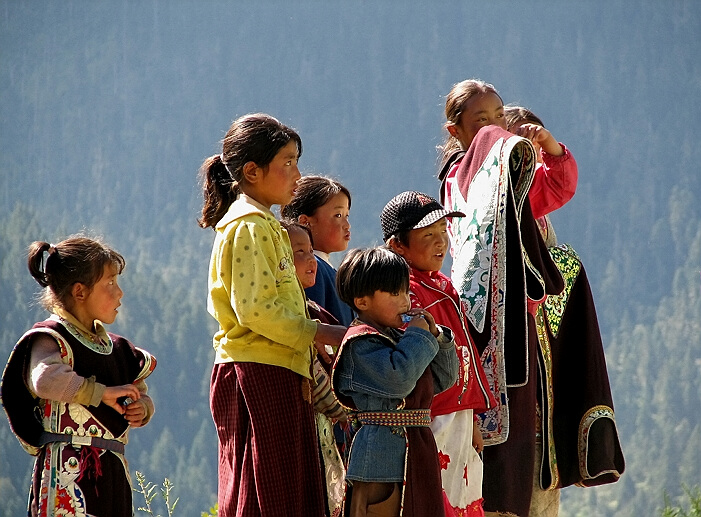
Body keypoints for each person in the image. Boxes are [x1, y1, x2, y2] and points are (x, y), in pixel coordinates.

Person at [437, 80, 624, 516]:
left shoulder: (514, 181)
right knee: (496, 454)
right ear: (455, 132)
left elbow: (556, 188)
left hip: (524, 336)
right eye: (480, 121)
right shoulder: (460, 181)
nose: (494, 129)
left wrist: (548, 146)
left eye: (499, 117)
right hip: (483, 332)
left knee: (534, 440)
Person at [197, 113, 346, 517]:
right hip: (256, 372)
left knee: (285, 489)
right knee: (264, 492)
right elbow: (257, 310)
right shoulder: (248, 225)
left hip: (278, 368)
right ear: (252, 171)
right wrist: (323, 333)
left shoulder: (266, 224)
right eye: (288, 162)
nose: (298, 173)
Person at [1, 236, 156, 517]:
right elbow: (45, 379)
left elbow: (140, 390)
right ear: (80, 292)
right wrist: (100, 393)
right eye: (110, 283)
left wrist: (142, 408)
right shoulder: (51, 339)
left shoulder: (119, 350)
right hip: (65, 473)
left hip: (113, 474)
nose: (119, 293)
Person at [382, 191, 498, 517]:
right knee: (436, 500)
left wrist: (472, 415)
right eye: (428, 235)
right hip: (431, 417)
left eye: (443, 232)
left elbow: (462, 349)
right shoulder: (402, 292)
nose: (441, 242)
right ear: (397, 246)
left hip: (458, 413)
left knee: (463, 498)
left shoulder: (442, 285)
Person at [331, 247, 459, 517]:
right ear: (362, 301)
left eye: (405, 292)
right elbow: (398, 379)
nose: (406, 301)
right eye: (394, 293)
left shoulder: (400, 340)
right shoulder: (361, 343)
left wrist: (437, 337)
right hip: (380, 462)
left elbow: (443, 379)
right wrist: (417, 338)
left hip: (418, 451)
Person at [282, 219, 347, 517]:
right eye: (298, 252)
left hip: (325, 428)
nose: (311, 260)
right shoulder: (289, 322)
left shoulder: (314, 314)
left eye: (310, 251)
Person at [281, 175, 354, 326]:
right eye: (338, 215)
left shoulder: (327, 269)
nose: (347, 225)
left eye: (347, 216)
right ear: (305, 222)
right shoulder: (313, 268)